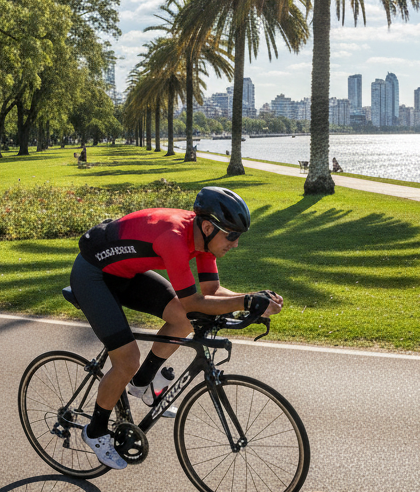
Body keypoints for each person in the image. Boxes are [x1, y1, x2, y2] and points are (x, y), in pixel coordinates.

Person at [69, 186, 283, 470]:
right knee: (127, 359)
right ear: (208, 226)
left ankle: (141, 383)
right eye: (231, 236)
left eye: (238, 237)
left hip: (125, 273)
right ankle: (95, 431)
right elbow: (195, 301)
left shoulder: (203, 242)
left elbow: (212, 291)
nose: (236, 244)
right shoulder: (174, 238)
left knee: (182, 319)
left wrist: (254, 300)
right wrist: (245, 302)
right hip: (93, 275)